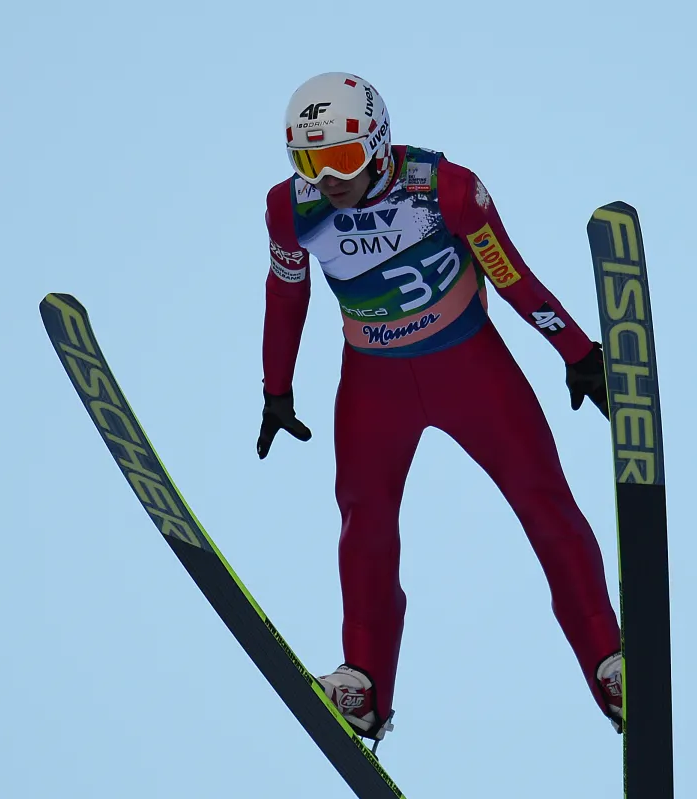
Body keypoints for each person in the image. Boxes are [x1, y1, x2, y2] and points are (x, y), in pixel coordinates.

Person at [258, 72, 623, 741]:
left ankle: (608, 660)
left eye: (341, 157)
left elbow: (509, 272)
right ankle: (364, 684)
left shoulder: (446, 191)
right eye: (310, 162)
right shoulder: (292, 208)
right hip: (374, 383)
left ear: (377, 142)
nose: (328, 177)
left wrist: (576, 351)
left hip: (470, 368)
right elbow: (287, 295)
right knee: (363, 522)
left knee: (543, 499)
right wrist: (276, 389)